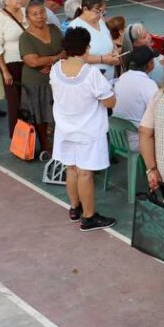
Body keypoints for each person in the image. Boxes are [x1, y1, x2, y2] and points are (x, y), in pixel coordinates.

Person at [48, 26, 116, 232]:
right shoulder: (91, 74)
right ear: (86, 47)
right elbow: (110, 102)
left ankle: (74, 208)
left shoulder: (55, 69)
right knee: (85, 173)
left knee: (71, 168)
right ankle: (89, 217)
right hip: (88, 131)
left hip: (64, 128)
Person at [18, 1, 63, 157]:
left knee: (59, 113)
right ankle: (45, 145)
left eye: (42, 12)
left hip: (57, 80)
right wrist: (55, 58)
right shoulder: (25, 37)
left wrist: (52, 63)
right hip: (36, 83)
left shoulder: (54, 29)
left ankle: (60, 143)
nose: (39, 16)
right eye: (35, 14)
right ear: (28, 17)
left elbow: (66, 51)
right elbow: (32, 61)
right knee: (39, 115)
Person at [0, 0, 30, 136]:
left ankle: (30, 133)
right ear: (6, 0)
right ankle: (17, 138)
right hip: (12, 64)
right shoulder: (0, 18)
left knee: (29, 99)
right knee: (15, 103)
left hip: (30, 61)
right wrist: (5, 71)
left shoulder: (26, 12)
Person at [68, 0, 119, 79]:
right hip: (89, 80)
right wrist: (103, 59)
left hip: (108, 77)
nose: (101, 15)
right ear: (85, 9)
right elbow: (77, 57)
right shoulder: (75, 26)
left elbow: (110, 41)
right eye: (97, 11)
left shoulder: (100, 20)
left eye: (103, 11)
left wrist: (115, 53)